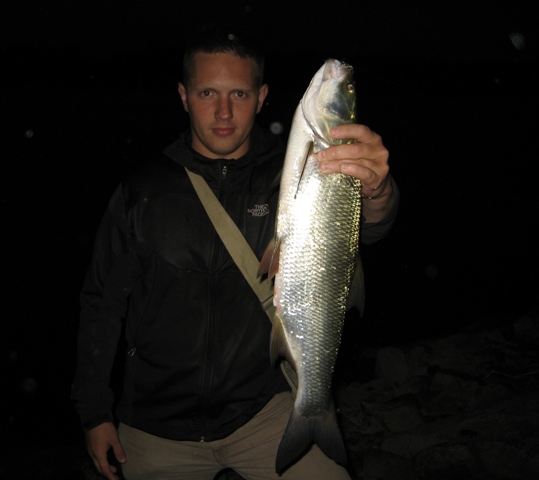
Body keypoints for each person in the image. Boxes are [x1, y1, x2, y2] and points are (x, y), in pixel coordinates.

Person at [71, 24, 399, 480]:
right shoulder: (141, 191)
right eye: (207, 93)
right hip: (155, 425)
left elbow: (362, 232)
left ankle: (311, 414)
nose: (223, 112)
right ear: (184, 96)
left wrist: (378, 191)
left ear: (262, 98)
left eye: (239, 95)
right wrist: (94, 412)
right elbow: (101, 303)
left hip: (263, 410)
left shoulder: (292, 174)